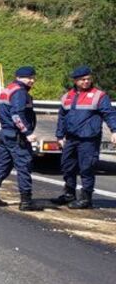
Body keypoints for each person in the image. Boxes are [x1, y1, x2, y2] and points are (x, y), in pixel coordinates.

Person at [51, 66, 116, 209]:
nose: (86, 81)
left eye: (88, 79)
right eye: (82, 79)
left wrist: (114, 130)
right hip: (71, 138)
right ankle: (69, 194)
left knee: (86, 168)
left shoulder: (99, 96)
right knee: (67, 166)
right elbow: (62, 117)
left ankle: (86, 199)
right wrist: (59, 136)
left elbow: (109, 114)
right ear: (75, 81)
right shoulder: (67, 96)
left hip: (88, 139)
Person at [0, 66, 41, 211]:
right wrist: (27, 132)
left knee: (2, 166)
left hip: (5, 133)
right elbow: (17, 114)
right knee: (24, 166)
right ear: (19, 77)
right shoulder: (20, 92)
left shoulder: (7, 90)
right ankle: (26, 201)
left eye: (33, 77)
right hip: (17, 136)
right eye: (29, 78)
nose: (32, 80)